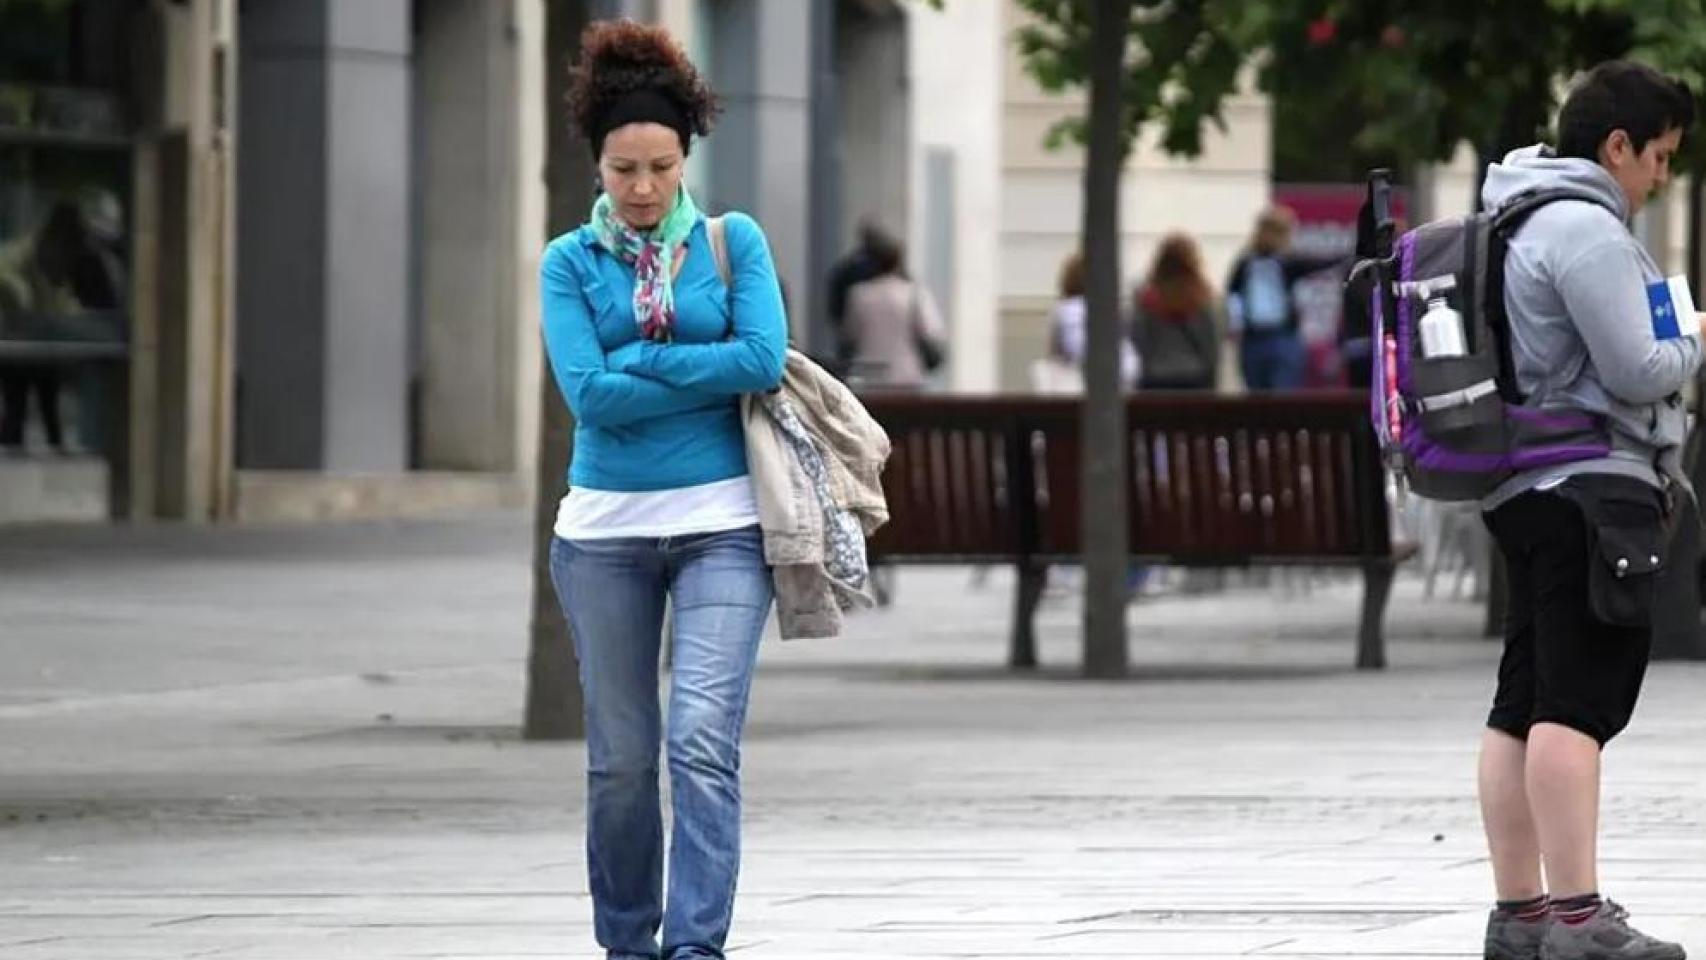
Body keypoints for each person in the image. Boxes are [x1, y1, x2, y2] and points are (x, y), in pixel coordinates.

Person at [539, 21, 787, 960]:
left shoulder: (733, 244)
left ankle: (694, 946)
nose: (642, 189)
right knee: (621, 763)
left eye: (659, 167)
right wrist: (693, 365)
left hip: (724, 524)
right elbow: (584, 394)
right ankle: (626, 944)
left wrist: (639, 356)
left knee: (698, 741)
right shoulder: (569, 262)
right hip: (603, 535)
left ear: (685, 158)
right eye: (622, 170)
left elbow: (763, 358)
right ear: (597, 166)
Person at [1475, 61, 1698, 960]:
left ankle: (1521, 915)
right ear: (1617, 146)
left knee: (1521, 705)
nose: (1661, 179)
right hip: (1590, 490)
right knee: (1576, 703)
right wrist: (1695, 339)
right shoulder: (1586, 229)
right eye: (1659, 157)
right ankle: (1579, 920)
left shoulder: (1515, 215)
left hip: (1521, 485)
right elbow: (1639, 369)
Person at [1224, 207, 1343, 391]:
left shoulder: (1286, 263)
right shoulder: (1248, 264)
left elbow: (1317, 263)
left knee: (1282, 393)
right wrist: (1236, 325)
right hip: (1257, 339)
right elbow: (1233, 296)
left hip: (1279, 337)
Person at [841, 229, 947, 390]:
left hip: (869, 376)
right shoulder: (913, 294)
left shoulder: (858, 294)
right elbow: (932, 332)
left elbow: (849, 335)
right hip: (906, 376)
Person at [1040, 250, 1139, 392]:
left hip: (1075, 387)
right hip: (1119, 380)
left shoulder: (1062, 311)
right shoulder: (1112, 310)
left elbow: (1054, 354)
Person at [1133, 233, 1219, 391]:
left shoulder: (1148, 297)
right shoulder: (1200, 297)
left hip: (1156, 377)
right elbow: (1210, 343)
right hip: (1194, 376)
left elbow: (1139, 337)